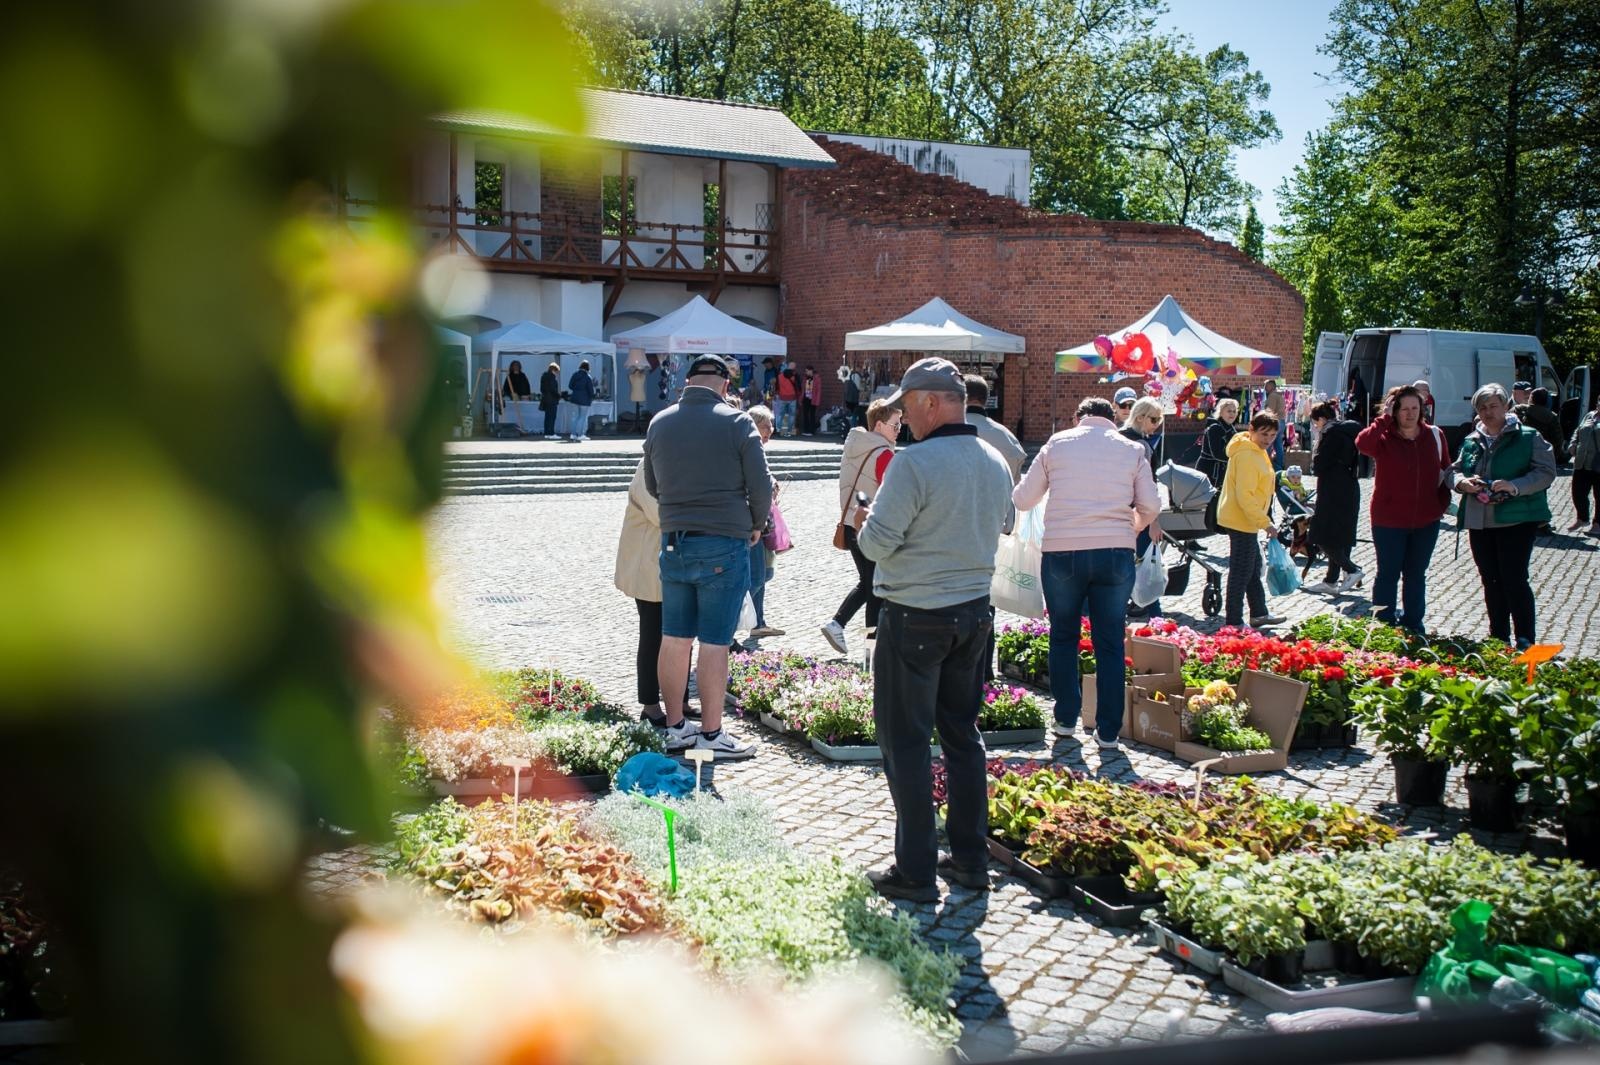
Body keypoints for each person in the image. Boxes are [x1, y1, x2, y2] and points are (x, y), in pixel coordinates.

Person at [853, 357, 1012, 902]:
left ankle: (916, 870)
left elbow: (875, 546)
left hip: (916, 615)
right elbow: (1002, 525)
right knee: (964, 736)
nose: (903, 418)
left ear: (928, 402)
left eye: (906, 406)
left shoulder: (913, 464)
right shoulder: (995, 459)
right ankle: (969, 857)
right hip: (974, 615)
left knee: (907, 743)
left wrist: (866, 517)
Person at [641, 353, 771, 759]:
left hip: (675, 542)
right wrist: (755, 523)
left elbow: (652, 483)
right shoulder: (736, 421)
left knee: (674, 638)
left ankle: (676, 726)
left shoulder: (660, 422)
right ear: (725, 386)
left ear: (686, 382)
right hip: (724, 541)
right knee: (715, 642)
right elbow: (761, 485)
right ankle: (713, 734)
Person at [1014, 396, 1159, 745]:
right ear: (1113, 418)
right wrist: (1135, 525)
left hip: (1063, 551)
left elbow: (1022, 499)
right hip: (1114, 551)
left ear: (1077, 417)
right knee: (1109, 641)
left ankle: (1065, 719)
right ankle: (1108, 730)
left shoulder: (1056, 444)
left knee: (1063, 635)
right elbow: (1152, 505)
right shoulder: (1131, 449)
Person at [1452, 383, 1556, 648]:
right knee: (1490, 579)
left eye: (1493, 406)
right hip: (1480, 520)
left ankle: (1525, 638)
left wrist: (1515, 486)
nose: (1488, 412)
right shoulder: (1472, 439)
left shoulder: (1528, 436)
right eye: (1482, 408)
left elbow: (1546, 473)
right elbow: (1452, 470)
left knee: (1514, 578)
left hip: (1516, 519)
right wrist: (1462, 482)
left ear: (1506, 406)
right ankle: (1498, 636)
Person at [1354, 385, 1451, 633]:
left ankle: (1413, 623)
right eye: (1404, 409)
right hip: (1388, 520)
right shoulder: (1384, 437)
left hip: (1426, 520)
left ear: (1422, 410)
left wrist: (1441, 503)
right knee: (1388, 573)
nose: (1410, 414)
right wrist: (1383, 419)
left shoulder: (1435, 435)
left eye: (1414, 408)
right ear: (1394, 411)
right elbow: (1363, 444)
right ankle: (1383, 624)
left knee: (1416, 574)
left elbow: (1447, 470)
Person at [821, 398, 900, 656]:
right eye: (895, 425)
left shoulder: (855, 446)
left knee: (869, 583)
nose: (899, 430)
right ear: (879, 424)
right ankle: (870, 648)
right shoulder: (883, 453)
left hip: (850, 523)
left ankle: (840, 625)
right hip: (871, 528)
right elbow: (892, 495)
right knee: (874, 587)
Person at [1216, 412, 1287, 628]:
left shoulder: (1256, 450)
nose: (1268, 439)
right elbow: (1244, 495)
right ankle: (1234, 621)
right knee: (1241, 571)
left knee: (1253, 567)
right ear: (1251, 430)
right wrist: (1265, 522)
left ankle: (1258, 613)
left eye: (1273, 435)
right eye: (1264, 434)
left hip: (1246, 518)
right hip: (1241, 519)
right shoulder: (1247, 454)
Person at [614, 458, 669, 726]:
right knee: (652, 636)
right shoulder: (648, 466)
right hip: (646, 565)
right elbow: (660, 514)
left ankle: (679, 700)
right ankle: (649, 704)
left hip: (669, 565)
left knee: (680, 635)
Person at [1302, 400, 1364, 594]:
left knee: (1321, 534)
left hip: (1332, 489)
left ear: (1321, 419)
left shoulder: (1332, 434)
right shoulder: (1348, 432)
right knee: (1341, 535)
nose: (1315, 426)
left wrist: (1316, 457)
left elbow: (1320, 464)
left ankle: (1352, 569)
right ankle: (1330, 581)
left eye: (1315, 422)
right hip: (1350, 486)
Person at [1119, 397, 1166, 620]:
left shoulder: (1116, 438)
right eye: (1154, 419)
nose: (1157, 423)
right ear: (1140, 417)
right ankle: (1155, 615)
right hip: (1137, 514)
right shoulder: (1142, 446)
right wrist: (1153, 521)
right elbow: (1148, 487)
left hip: (1116, 512)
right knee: (1145, 563)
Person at [743, 405, 784, 639]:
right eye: (765, 425)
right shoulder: (749, 448)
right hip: (751, 521)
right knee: (757, 575)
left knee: (765, 572)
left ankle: (758, 622)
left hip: (762, 520)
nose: (770, 430)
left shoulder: (757, 449)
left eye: (771, 425)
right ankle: (736, 616)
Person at [964, 374, 1025, 483]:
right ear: (986, 400)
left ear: (960, 397)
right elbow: (1015, 485)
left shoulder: (942, 435)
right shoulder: (1008, 437)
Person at [1569, 392, 1600, 537]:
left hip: (1597, 463)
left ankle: (1597, 523)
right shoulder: (1589, 415)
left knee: (1599, 495)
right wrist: (1573, 443)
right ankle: (1582, 518)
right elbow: (1577, 430)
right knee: (1577, 492)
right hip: (1581, 461)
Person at [1517, 387, 1568, 466]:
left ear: (1531, 399)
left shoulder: (1519, 410)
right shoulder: (1551, 417)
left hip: (1519, 454)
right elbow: (1558, 440)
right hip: (1541, 457)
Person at [1198, 397, 1240, 487]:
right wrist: (1237, 459)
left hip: (1222, 471)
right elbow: (1217, 454)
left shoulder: (1231, 429)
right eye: (1229, 411)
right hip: (1210, 470)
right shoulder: (1215, 428)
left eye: (1234, 411)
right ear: (1221, 412)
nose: (1232, 414)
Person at [566, 360, 595, 441]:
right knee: (582, 417)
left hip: (574, 398)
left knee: (575, 417)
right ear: (587, 368)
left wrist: (577, 390)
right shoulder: (588, 377)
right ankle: (580, 434)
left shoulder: (575, 374)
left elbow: (570, 386)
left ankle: (573, 434)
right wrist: (592, 396)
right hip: (584, 400)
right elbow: (591, 390)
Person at [1264, 379, 1287, 469]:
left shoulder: (1272, 396)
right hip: (1281, 421)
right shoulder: (1280, 395)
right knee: (1278, 445)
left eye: (1266, 385)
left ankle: (1267, 464)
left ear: (1272, 386)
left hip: (1274, 422)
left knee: (1268, 443)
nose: (1265, 388)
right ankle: (1279, 465)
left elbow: (1270, 411)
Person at [774, 361, 800, 437]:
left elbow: (777, 387)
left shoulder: (779, 376)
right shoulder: (793, 376)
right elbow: (797, 386)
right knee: (791, 415)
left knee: (780, 414)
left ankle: (779, 430)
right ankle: (789, 431)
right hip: (792, 397)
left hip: (782, 397)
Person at [538, 361, 561, 437]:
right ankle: (551, 433)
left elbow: (542, 389)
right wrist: (559, 395)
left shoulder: (544, 376)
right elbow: (553, 389)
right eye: (557, 371)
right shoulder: (552, 377)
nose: (557, 373)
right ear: (554, 370)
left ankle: (547, 433)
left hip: (546, 399)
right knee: (552, 417)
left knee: (547, 417)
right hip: (552, 400)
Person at [802, 366, 822, 435]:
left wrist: (817, 400)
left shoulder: (816, 378)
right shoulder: (805, 378)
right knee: (805, 414)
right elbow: (803, 388)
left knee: (812, 415)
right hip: (806, 398)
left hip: (813, 399)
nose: (806, 372)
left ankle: (812, 430)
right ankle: (806, 430)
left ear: (811, 371)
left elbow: (818, 390)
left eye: (807, 371)